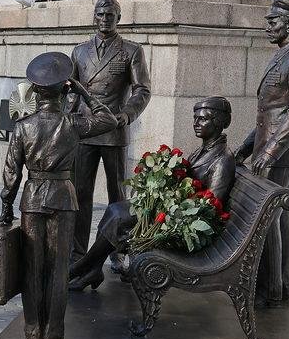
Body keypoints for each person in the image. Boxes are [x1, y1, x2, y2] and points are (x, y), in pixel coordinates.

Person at [0, 52, 117, 339]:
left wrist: (5, 208)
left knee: (32, 269)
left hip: (33, 199)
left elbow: (11, 172)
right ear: (64, 90)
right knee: (58, 270)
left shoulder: (23, 126)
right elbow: (110, 119)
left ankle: (32, 335)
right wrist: (84, 92)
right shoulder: (73, 124)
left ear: (35, 91)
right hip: (63, 198)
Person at [69, 97, 236, 291]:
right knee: (115, 209)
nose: (196, 124)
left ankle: (82, 268)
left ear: (219, 122)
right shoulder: (204, 150)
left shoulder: (222, 159)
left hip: (181, 220)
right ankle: (92, 269)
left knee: (118, 219)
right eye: (195, 118)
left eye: (203, 119)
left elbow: (211, 205)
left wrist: (171, 205)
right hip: (172, 209)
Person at [234, 0, 289, 308]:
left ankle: (271, 288)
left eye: (273, 21)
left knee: (270, 217)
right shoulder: (283, 55)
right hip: (272, 146)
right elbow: (271, 111)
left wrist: (270, 152)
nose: (268, 25)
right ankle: (278, 283)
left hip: (282, 151)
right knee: (278, 217)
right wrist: (247, 146)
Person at [67, 0, 151, 273]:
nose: (105, 18)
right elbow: (71, 92)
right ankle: (78, 253)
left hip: (113, 130)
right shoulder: (79, 52)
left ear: (119, 17)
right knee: (80, 193)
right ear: (94, 17)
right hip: (84, 130)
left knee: (118, 196)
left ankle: (118, 252)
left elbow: (142, 90)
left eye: (111, 14)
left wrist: (126, 115)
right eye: (101, 14)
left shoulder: (131, 50)